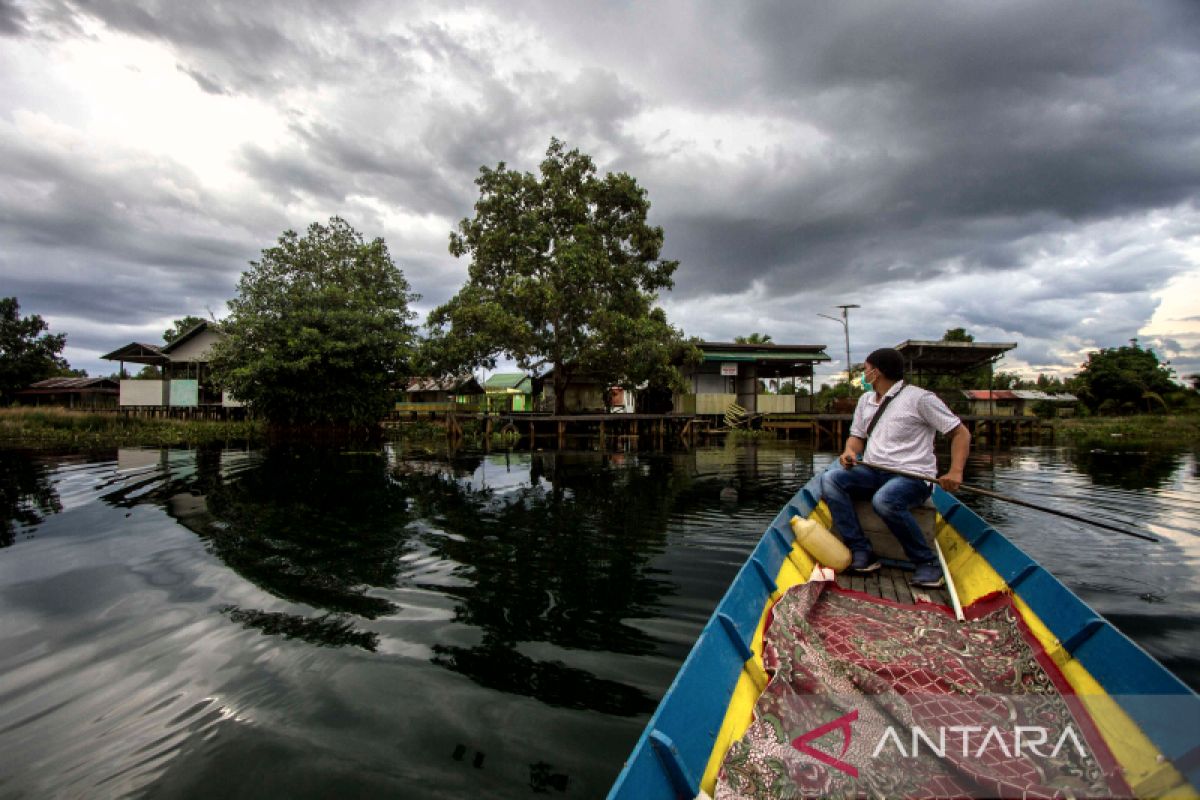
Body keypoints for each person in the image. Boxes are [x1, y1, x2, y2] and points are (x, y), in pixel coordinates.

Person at [821, 347, 971, 588]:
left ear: (876, 373)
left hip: (911, 477)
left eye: (865, 369)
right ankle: (861, 550)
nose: (864, 374)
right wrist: (850, 452)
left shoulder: (920, 399)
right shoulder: (866, 400)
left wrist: (955, 471)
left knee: (885, 501)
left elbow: (960, 433)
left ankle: (927, 563)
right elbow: (857, 437)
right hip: (873, 470)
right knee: (831, 479)